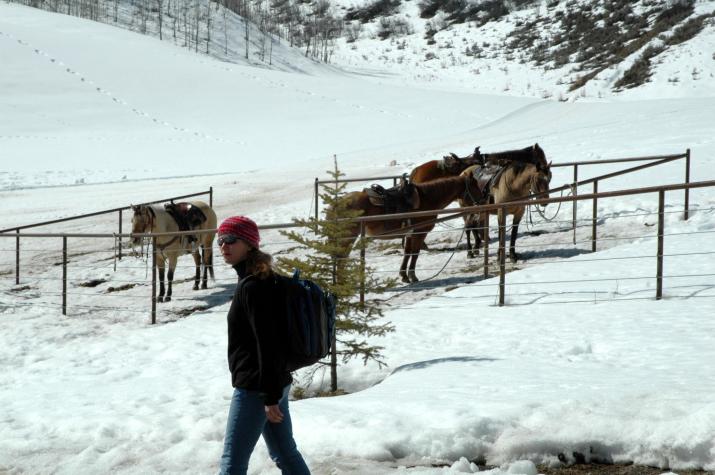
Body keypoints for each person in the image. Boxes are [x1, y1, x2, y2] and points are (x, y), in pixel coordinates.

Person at [217, 215, 310, 475]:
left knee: (232, 464)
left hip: (256, 388)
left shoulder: (254, 286)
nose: (224, 246)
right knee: (284, 453)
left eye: (231, 240)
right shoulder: (263, 279)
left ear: (248, 243)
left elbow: (268, 343)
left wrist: (269, 397)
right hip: (273, 382)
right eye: (221, 240)